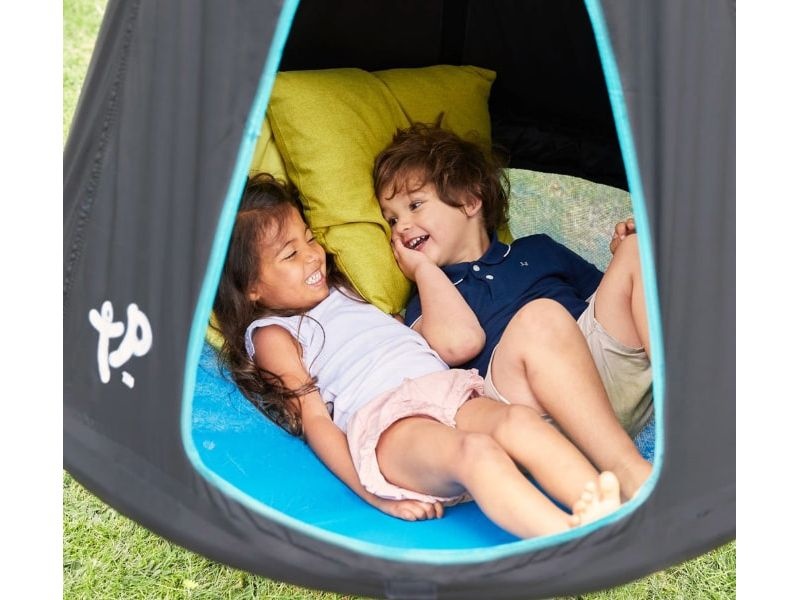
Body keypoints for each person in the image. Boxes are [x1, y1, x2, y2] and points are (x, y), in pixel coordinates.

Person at [213, 172, 626, 539]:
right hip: (389, 424)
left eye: (308, 239)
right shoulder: (272, 334)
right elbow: (315, 421)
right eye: (290, 255)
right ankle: (566, 541)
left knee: (518, 420)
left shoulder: (347, 288)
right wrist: (375, 495)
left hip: (446, 390)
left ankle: (603, 510)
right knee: (477, 453)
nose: (312, 255)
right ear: (250, 288)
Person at [373, 122, 653, 502]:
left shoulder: (537, 249)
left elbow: (612, 304)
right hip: (532, 413)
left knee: (638, 250)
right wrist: (424, 271)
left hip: (602, 375)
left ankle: (691, 400)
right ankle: (628, 471)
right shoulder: (427, 297)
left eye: (415, 205)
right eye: (391, 219)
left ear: (470, 201)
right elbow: (457, 343)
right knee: (541, 319)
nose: (401, 227)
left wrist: (623, 258)